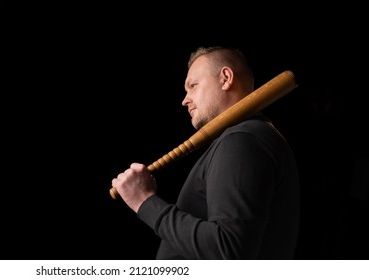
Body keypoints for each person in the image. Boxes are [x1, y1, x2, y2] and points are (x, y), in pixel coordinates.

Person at [111, 46, 300, 259]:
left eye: (193, 85)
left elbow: (229, 251)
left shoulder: (242, 140)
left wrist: (145, 202)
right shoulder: (250, 137)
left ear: (226, 78)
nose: (185, 100)